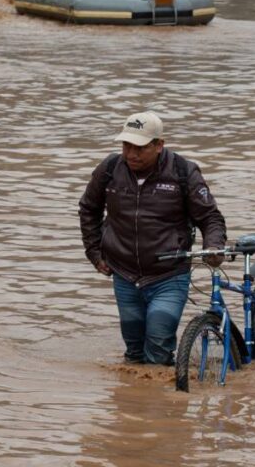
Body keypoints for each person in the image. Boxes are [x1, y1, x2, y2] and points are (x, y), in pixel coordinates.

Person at [78, 112, 227, 366]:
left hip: (168, 275)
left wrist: (213, 246)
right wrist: (94, 252)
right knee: (134, 353)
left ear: (159, 145)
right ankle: (136, 402)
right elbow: (88, 209)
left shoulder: (183, 172)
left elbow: (210, 217)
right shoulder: (109, 169)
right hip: (124, 274)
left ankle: (163, 399)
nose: (131, 154)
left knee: (157, 349)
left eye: (140, 147)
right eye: (126, 146)